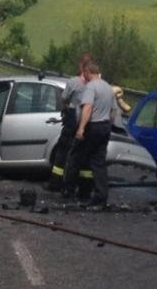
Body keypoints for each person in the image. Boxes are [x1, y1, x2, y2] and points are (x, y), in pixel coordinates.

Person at [64, 61, 117, 209]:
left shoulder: (90, 87)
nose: (84, 76)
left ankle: (69, 190)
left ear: (88, 72)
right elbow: (114, 111)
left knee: (75, 156)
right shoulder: (107, 87)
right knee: (98, 163)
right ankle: (101, 196)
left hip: (92, 126)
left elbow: (87, 108)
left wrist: (81, 129)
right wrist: (108, 126)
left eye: (84, 73)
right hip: (105, 126)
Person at [48, 53, 94, 194]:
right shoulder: (96, 84)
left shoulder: (73, 82)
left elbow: (63, 100)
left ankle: (56, 184)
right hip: (89, 121)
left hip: (73, 117)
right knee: (84, 155)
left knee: (63, 152)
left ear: (81, 66)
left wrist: (65, 109)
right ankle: (84, 188)